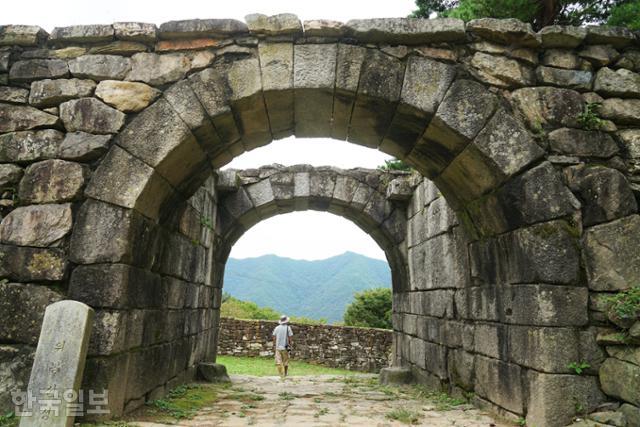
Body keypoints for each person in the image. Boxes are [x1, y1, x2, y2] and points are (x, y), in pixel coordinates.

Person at [272, 315, 293, 379]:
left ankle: (280, 375)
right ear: (286, 321)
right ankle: (285, 374)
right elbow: (290, 337)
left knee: (278, 361)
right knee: (285, 361)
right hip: (285, 347)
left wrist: (274, 344)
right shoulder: (288, 328)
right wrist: (290, 344)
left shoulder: (277, 328)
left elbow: (274, 337)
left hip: (278, 347)